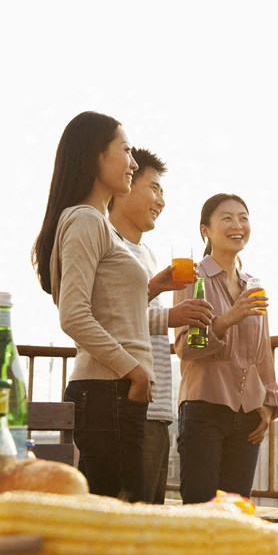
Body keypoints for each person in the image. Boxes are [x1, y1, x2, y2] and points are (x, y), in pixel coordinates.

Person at [31, 111, 195, 502]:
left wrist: (151, 288)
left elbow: (109, 310)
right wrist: (134, 372)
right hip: (108, 391)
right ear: (95, 156)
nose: (133, 162)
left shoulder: (95, 224)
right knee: (121, 511)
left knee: (122, 509)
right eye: (125, 151)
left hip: (116, 390)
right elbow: (72, 314)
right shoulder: (87, 221)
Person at [107, 147, 212, 503]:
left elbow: (133, 312)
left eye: (162, 192)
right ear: (124, 185)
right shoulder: (108, 243)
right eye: (154, 188)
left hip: (157, 402)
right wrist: (171, 317)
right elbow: (109, 316)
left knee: (151, 507)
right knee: (130, 514)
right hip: (128, 399)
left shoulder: (146, 253)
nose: (161, 201)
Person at [173, 193, 278, 504]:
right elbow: (185, 347)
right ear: (205, 230)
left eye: (244, 218)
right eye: (227, 218)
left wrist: (268, 404)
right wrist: (227, 319)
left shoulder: (253, 284)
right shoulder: (191, 276)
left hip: (248, 415)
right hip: (204, 409)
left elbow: (263, 350)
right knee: (201, 512)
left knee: (236, 514)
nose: (238, 225)